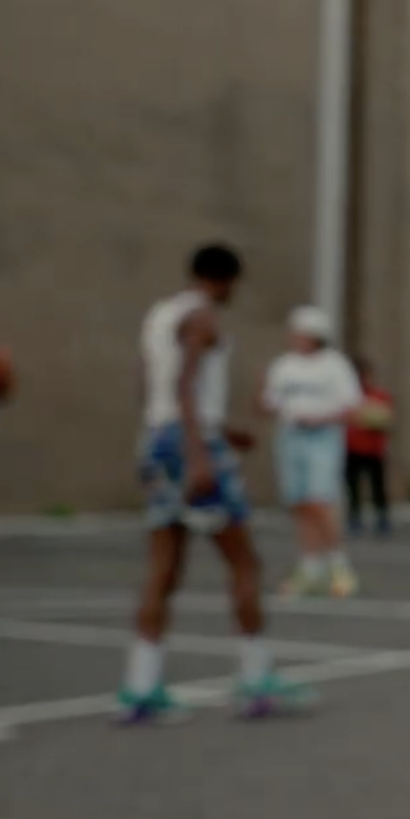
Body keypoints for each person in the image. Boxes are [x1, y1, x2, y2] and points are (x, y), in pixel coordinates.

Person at [125, 245, 313, 723]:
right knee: (245, 562)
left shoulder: (159, 315)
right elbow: (187, 384)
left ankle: (141, 687)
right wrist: (200, 452)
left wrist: (209, 431)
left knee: (163, 569)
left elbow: (154, 389)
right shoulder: (204, 317)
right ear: (224, 279)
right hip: (192, 444)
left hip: (157, 437)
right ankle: (255, 680)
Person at [261, 306, 364, 598]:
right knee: (300, 503)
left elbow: (352, 407)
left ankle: (339, 566)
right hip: (290, 435)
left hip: (323, 437)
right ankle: (310, 567)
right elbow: (271, 401)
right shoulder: (284, 365)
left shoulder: (334, 365)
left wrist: (321, 418)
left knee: (320, 501)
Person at [344, 354, 396, 539]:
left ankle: (382, 518)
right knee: (352, 486)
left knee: (378, 486)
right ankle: (354, 517)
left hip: (373, 449)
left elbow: (384, 418)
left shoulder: (379, 395)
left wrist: (366, 417)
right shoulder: (349, 398)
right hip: (352, 449)